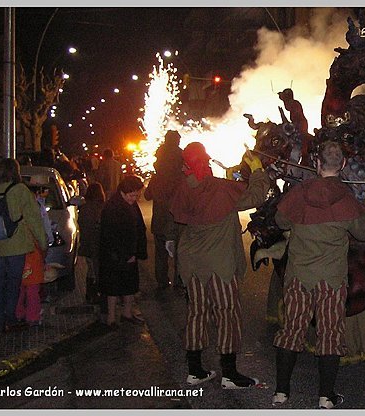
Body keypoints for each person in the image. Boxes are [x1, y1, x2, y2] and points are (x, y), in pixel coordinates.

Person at [271, 141, 365, 409]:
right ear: (342, 165)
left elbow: (280, 221)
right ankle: (326, 396)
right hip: (331, 281)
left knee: (291, 330)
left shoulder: (300, 193)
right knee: (330, 333)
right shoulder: (346, 199)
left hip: (298, 277)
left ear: (317, 164)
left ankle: (281, 392)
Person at [169, 142, 270, 389]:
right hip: (220, 265)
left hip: (192, 263)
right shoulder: (220, 189)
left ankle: (195, 370)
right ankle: (230, 374)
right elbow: (255, 195)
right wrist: (257, 170)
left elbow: (181, 212)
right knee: (227, 315)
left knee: (196, 313)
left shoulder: (184, 187)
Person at [0, 158, 48, 333]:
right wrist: (43, 243)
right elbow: (34, 220)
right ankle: (11, 318)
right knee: (13, 284)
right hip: (17, 246)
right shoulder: (20, 190)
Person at [99, 175, 148, 328]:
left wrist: (136, 251)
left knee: (130, 285)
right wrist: (123, 255)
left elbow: (139, 228)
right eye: (132, 195)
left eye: (137, 195)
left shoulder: (131, 204)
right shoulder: (112, 207)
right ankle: (111, 318)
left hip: (129, 253)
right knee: (113, 287)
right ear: (123, 192)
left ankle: (127, 313)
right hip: (113, 255)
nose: (135, 198)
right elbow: (109, 235)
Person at [144, 130, 184, 290]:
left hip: (160, 219)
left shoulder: (157, 176)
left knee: (161, 253)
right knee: (180, 252)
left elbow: (147, 196)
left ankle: (162, 281)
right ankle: (179, 281)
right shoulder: (181, 176)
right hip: (177, 219)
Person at [78, 182, 106, 304]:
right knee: (97, 269)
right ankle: (96, 294)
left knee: (90, 269)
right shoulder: (101, 207)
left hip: (86, 243)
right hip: (97, 243)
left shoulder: (84, 208)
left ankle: (89, 294)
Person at [278, 88, 312, 163]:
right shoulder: (293, 104)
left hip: (300, 127)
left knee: (296, 145)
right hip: (296, 126)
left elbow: (295, 123)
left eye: (285, 99)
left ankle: (293, 161)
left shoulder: (295, 104)